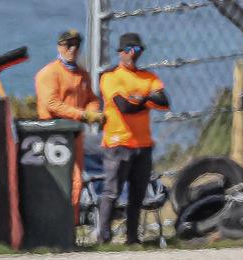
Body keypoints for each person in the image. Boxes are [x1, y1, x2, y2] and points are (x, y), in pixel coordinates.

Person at [97, 32, 170, 244]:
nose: (134, 55)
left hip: (143, 145)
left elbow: (164, 102)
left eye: (138, 50)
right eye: (130, 50)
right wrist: (147, 100)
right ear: (121, 52)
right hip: (118, 144)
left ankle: (132, 239)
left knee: (137, 195)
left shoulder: (149, 77)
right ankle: (104, 238)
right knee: (112, 192)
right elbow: (124, 107)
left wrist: (141, 98)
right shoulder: (110, 77)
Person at [35, 29, 104, 222]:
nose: (73, 49)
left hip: (75, 135)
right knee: (59, 181)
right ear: (60, 47)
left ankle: (69, 227)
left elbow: (91, 98)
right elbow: (52, 104)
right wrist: (83, 115)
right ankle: (56, 225)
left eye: (76, 45)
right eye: (68, 45)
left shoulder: (82, 75)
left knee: (76, 181)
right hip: (53, 135)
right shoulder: (48, 73)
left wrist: (93, 112)